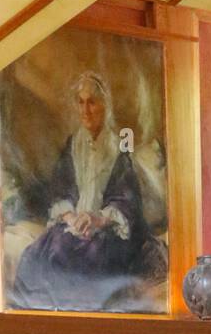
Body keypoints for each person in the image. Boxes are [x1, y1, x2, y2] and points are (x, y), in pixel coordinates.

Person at [11, 71, 165, 311]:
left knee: (92, 255)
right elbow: (60, 190)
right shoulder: (73, 146)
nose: (86, 110)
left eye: (91, 102)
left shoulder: (118, 150)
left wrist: (98, 218)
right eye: (80, 102)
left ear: (104, 106)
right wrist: (71, 216)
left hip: (107, 228)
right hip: (75, 222)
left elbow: (127, 198)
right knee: (43, 253)